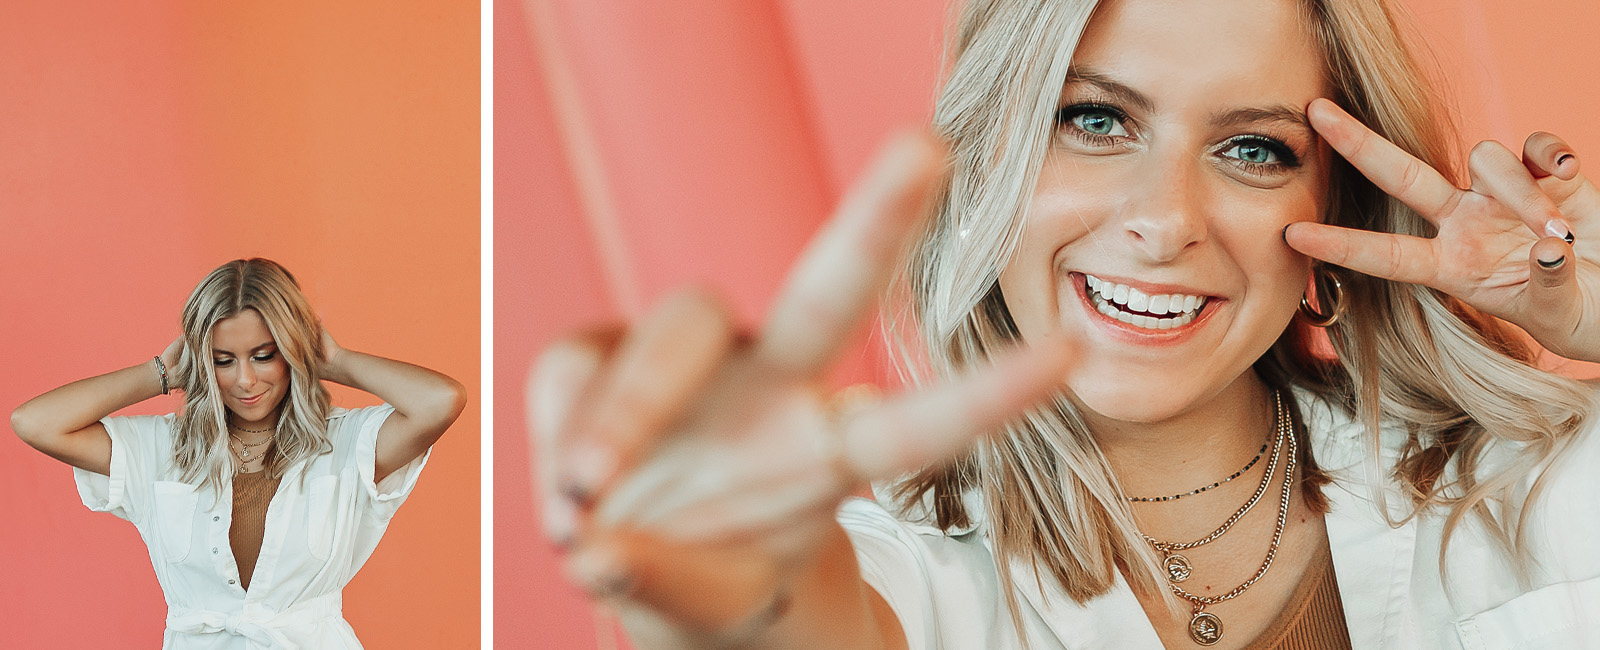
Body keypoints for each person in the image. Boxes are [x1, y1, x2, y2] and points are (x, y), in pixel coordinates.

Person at [530, 0, 1600, 648]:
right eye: (1094, 120)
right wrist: (723, 574)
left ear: (1331, 212)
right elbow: (793, 617)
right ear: (987, 161)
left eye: (1252, 149)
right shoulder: (904, 558)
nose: (1162, 220)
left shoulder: (1530, 485)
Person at [11, 258, 467, 649]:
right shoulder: (162, 449)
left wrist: (336, 360)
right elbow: (35, 422)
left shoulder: (345, 444)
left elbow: (440, 401)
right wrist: (161, 373)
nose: (245, 380)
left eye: (265, 355)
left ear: (292, 350)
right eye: (223, 360)